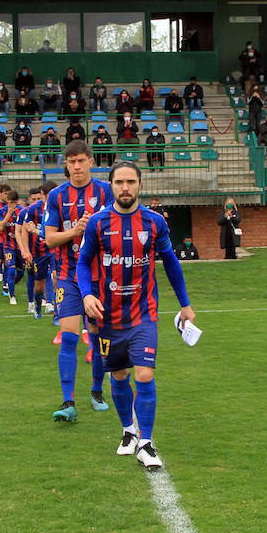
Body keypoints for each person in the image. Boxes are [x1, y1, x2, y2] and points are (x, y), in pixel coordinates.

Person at [79, 161, 195, 469]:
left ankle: (146, 443)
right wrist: (87, 294)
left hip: (144, 314)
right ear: (112, 186)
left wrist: (184, 304)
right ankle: (128, 431)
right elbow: (83, 262)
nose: (125, 187)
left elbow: (171, 263)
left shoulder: (154, 222)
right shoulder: (98, 223)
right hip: (107, 316)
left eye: (131, 181)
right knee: (119, 376)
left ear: (140, 185)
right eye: (119, 182)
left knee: (144, 374)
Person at [41, 140, 113, 421]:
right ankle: (68, 402)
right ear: (66, 165)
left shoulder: (106, 191)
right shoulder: (56, 196)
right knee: (69, 337)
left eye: (81, 160)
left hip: (100, 277)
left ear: (91, 162)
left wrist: (93, 228)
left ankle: (97, 391)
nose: (77, 166)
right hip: (68, 277)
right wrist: (74, 231)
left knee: (98, 337)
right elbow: (49, 239)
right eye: (71, 162)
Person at [14, 184, 53, 319]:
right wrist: (24, 250)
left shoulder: (54, 208)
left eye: (38, 198)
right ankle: (33, 303)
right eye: (34, 199)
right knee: (33, 278)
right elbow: (19, 231)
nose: (37, 201)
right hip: (34, 251)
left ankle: (51, 304)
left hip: (51, 249)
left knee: (52, 275)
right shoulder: (27, 212)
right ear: (29, 199)